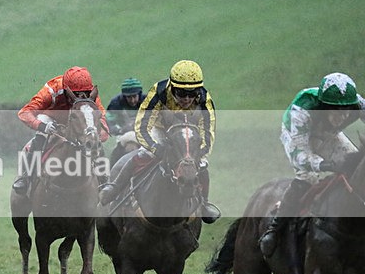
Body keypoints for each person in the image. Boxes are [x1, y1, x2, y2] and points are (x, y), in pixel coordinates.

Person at [258, 72, 365, 274]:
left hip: (327, 133)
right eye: (335, 111)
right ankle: (274, 229)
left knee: (355, 169)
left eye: (346, 110)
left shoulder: (357, 103)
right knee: (307, 175)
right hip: (297, 136)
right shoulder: (302, 110)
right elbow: (300, 155)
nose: (343, 115)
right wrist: (324, 164)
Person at [98, 60, 220, 223]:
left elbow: (208, 133)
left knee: (203, 164)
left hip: (190, 132)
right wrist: (155, 148)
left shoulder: (205, 100)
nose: (187, 98)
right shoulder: (159, 92)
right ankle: (114, 188)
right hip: (161, 129)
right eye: (181, 93)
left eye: (192, 93)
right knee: (143, 153)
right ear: (172, 88)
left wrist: (197, 155)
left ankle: (204, 204)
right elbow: (141, 127)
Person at [12, 66, 109, 195]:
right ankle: (26, 177)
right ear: (66, 89)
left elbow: (101, 120)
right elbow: (24, 113)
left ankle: (104, 180)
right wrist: (41, 126)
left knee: (95, 140)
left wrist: (95, 134)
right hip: (52, 119)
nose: (81, 96)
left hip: (78, 122)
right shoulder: (52, 89)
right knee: (40, 135)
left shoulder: (91, 97)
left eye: (86, 92)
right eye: (76, 94)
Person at [106, 77, 144, 166]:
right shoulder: (116, 103)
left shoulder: (148, 101)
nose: (132, 100)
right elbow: (108, 121)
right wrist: (120, 130)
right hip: (123, 134)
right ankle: (111, 172)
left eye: (134, 96)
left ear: (139, 94)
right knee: (116, 152)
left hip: (144, 133)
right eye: (129, 97)